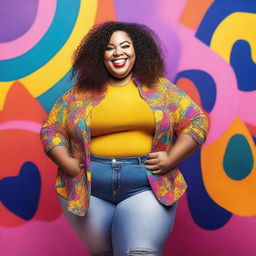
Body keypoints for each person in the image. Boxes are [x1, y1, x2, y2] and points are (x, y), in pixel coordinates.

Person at [40, 21, 209, 256]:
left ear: (137, 50)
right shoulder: (79, 95)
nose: (118, 52)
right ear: (100, 55)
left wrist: (171, 158)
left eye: (125, 45)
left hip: (146, 185)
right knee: (103, 254)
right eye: (110, 48)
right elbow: (51, 130)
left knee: (138, 253)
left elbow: (197, 121)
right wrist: (65, 161)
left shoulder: (160, 89)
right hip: (89, 190)